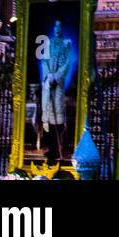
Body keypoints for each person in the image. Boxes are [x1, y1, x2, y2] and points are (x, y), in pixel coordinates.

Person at [42, 20, 73, 162]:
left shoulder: (66, 44)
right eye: (55, 27)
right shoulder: (48, 44)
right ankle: (49, 148)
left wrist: (57, 76)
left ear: (62, 29)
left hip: (58, 84)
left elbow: (67, 63)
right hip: (49, 82)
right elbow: (44, 61)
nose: (57, 29)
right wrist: (49, 75)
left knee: (58, 116)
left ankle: (59, 149)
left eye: (59, 27)